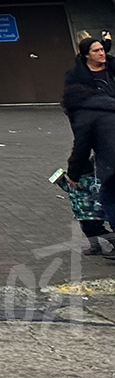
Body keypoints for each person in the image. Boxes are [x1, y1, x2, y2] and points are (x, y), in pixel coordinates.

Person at [62, 36, 115, 255]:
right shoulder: (79, 75)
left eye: (103, 50)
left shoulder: (85, 113)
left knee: (109, 198)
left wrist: (73, 173)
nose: (102, 54)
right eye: (96, 50)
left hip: (110, 159)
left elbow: (82, 145)